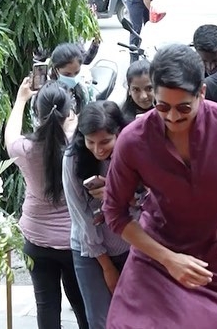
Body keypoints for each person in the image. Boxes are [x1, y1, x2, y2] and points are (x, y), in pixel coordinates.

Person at [102, 44, 217, 329]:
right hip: (158, 251)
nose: (173, 118)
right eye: (162, 107)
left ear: (201, 92)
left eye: (183, 108)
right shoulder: (133, 140)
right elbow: (115, 212)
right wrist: (169, 259)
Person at [4, 80, 88, 329]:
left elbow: (10, 136)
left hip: (36, 240)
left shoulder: (25, 149)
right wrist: (74, 126)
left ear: (37, 115)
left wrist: (20, 99)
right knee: (83, 306)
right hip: (74, 242)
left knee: (46, 306)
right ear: (69, 113)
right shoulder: (80, 148)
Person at [62, 101, 131, 329]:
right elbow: (80, 216)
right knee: (100, 321)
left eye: (105, 141)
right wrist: (107, 267)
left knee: (134, 316)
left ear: (118, 132)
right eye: (90, 141)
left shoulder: (132, 152)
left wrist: (115, 193)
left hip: (131, 243)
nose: (98, 149)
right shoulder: (73, 158)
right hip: (90, 249)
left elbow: (147, 201)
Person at [50, 43, 95, 116]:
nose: (73, 78)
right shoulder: (45, 95)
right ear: (56, 70)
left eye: (77, 72)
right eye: (67, 74)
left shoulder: (86, 91)